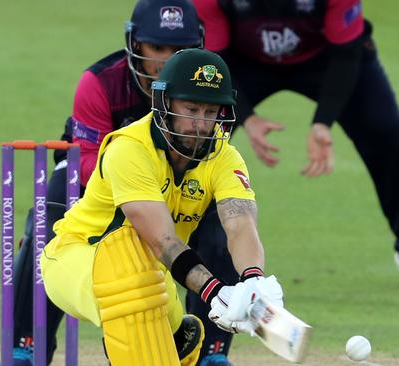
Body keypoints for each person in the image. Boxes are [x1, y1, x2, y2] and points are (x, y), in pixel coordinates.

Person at [185, 1, 399, 364]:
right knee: (191, 129)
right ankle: (181, 238)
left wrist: (324, 121)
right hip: (241, 64)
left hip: (328, 58)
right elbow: (215, 57)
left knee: (388, 134)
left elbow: (346, 52)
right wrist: (246, 117)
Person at [40, 48, 283, 366]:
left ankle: (177, 339)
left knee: (149, 295)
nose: (200, 124)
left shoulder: (223, 155)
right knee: (127, 266)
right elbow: (161, 240)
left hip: (155, 275)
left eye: (210, 113)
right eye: (191, 109)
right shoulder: (129, 148)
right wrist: (215, 292)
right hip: (77, 259)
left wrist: (253, 281)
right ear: (164, 104)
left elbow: (239, 223)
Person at [5, 1, 211, 364]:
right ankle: (27, 347)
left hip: (169, 185)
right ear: (135, 44)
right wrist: (134, 180)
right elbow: (84, 156)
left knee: (216, 231)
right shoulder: (100, 81)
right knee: (44, 227)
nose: (167, 60)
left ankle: (208, 350)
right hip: (88, 179)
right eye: (157, 48)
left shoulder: (204, 90)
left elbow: (210, 159)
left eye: (180, 49)